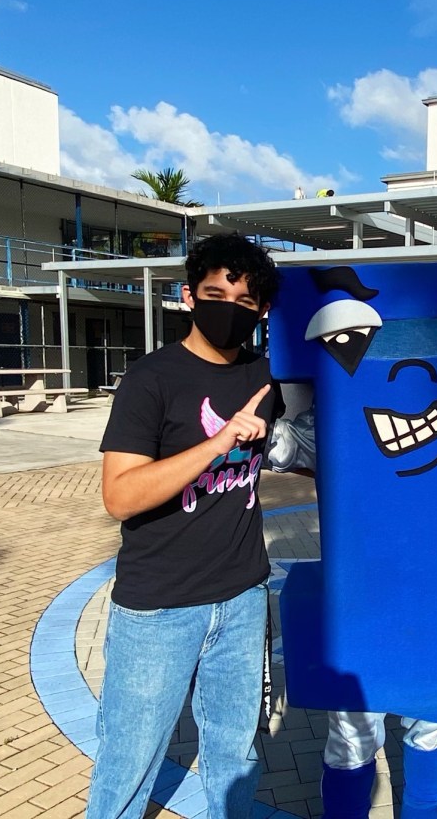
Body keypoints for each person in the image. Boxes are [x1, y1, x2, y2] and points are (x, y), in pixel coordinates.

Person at [86, 233, 281, 819]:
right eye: (215, 293)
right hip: (159, 608)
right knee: (129, 758)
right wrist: (218, 442)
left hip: (243, 596)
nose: (229, 308)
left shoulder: (267, 377)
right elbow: (119, 496)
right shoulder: (151, 378)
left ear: (261, 312)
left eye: (245, 301)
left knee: (235, 753)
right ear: (188, 297)